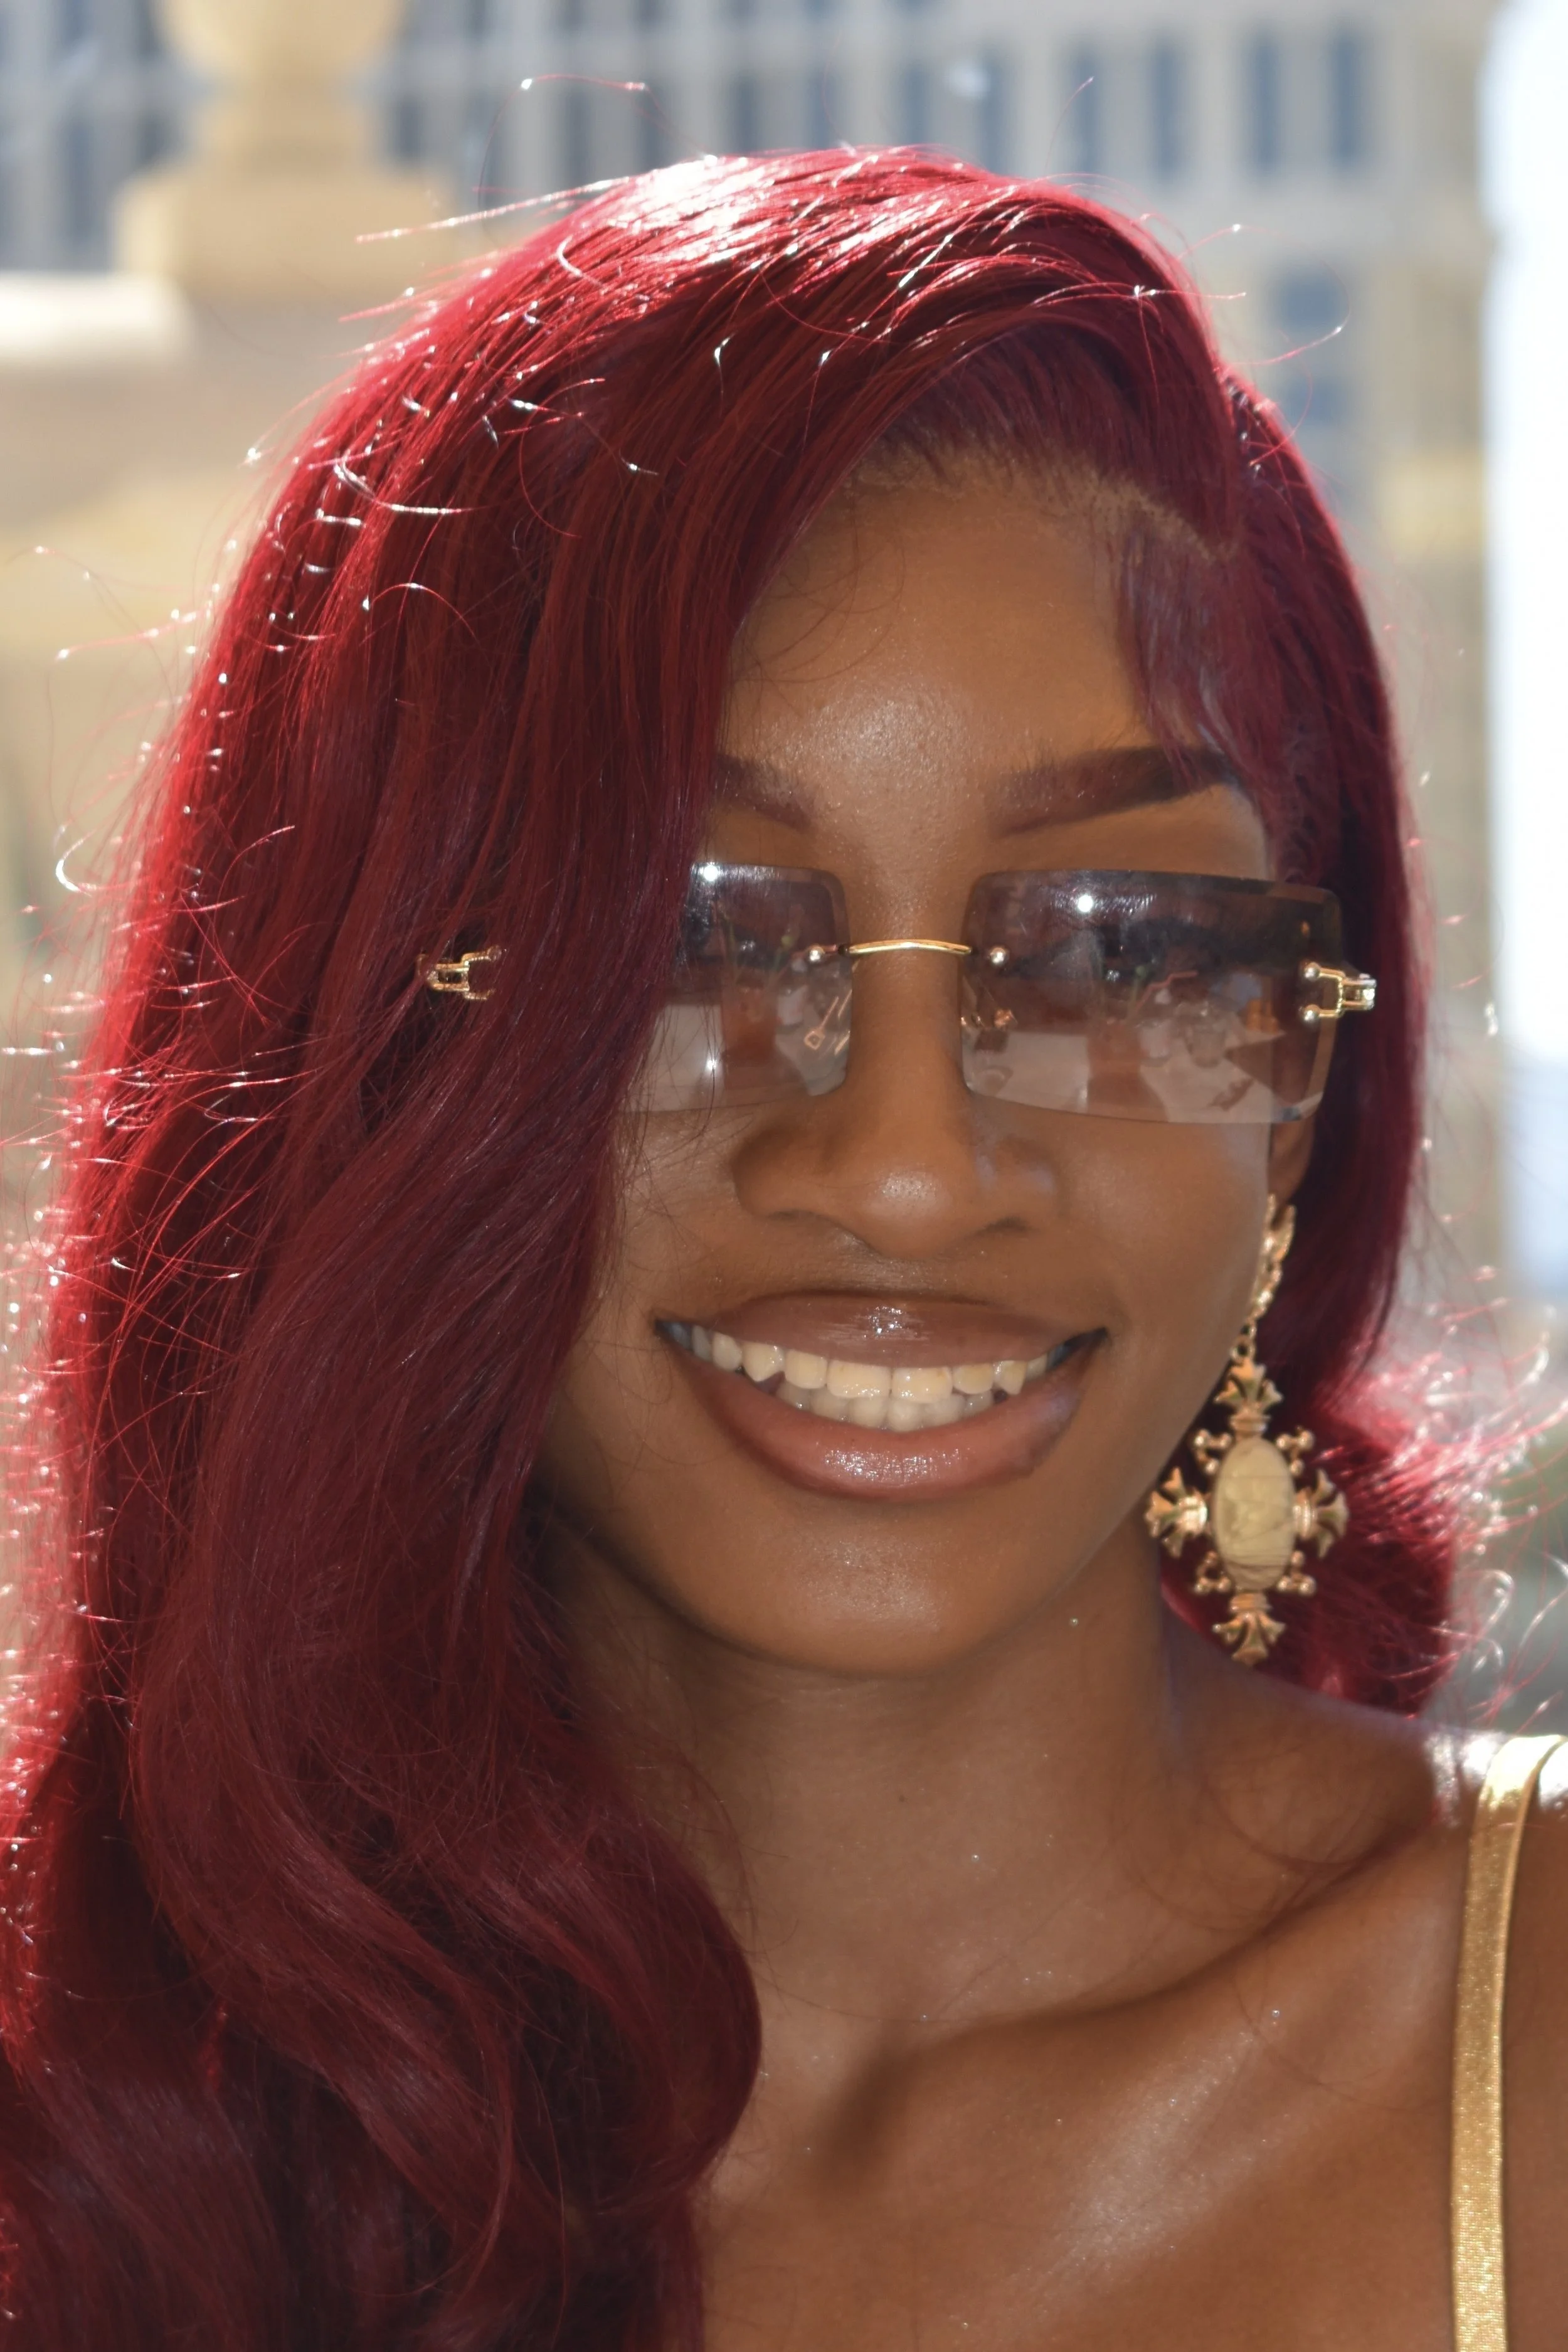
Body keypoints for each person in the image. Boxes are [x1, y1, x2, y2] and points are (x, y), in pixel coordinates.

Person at [0, 149, 1561, 2351]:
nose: (904, 1168)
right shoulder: (113, 2145)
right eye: (685, 942)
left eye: (1117, 949)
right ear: (364, 1053)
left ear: (1299, 1080)